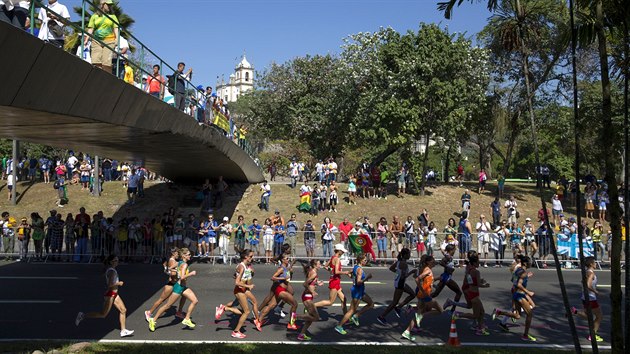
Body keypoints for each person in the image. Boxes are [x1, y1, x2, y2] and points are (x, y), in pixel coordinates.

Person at [75, 255, 134, 337]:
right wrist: (118, 283)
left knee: (123, 310)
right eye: (115, 260)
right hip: (110, 294)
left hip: (114, 294)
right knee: (103, 314)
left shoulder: (111, 270)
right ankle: (83, 316)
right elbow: (110, 284)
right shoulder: (112, 271)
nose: (117, 262)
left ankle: (123, 330)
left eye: (117, 260)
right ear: (111, 262)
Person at [215, 249, 262, 338]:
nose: (252, 258)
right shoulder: (241, 267)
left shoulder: (246, 266)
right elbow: (237, 282)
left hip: (244, 290)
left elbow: (235, 275)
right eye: (251, 256)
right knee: (246, 312)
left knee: (249, 303)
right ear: (246, 257)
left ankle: (224, 308)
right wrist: (248, 286)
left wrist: (250, 274)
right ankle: (236, 331)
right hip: (239, 291)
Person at [149, 248, 198, 331]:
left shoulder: (180, 262)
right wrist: (191, 274)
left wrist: (174, 271)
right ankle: (153, 320)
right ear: (183, 256)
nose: (190, 256)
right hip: (178, 287)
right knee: (167, 306)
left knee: (195, 301)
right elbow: (182, 277)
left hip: (183, 287)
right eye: (189, 255)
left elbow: (169, 268)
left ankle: (186, 319)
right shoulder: (184, 264)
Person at [492, 256, 536, 341]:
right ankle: (525, 335)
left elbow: (513, 280)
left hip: (515, 294)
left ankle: (499, 312)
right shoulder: (523, 273)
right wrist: (528, 292)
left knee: (517, 316)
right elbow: (519, 284)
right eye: (530, 262)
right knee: (529, 314)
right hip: (520, 295)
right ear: (525, 263)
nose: (531, 263)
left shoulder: (518, 270)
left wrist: (526, 276)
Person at [401, 255, 443, 342]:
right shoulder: (427, 270)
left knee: (420, 312)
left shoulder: (428, 270)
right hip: (425, 295)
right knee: (440, 310)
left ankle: (407, 331)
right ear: (428, 262)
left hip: (423, 295)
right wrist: (422, 290)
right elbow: (417, 279)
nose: (434, 262)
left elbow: (428, 281)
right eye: (432, 261)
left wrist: (436, 280)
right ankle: (419, 317)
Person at [451, 251, 491, 336]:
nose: (479, 264)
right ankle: (458, 315)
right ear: (474, 262)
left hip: (471, 293)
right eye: (478, 262)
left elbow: (471, 282)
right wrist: (485, 285)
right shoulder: (476, 272)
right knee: (475, 315)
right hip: (474, 295)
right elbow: (478, 284)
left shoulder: (469, 270)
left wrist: (479, 280)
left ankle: (480, 327)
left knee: (482, 312)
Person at [334, 254, 374, 335]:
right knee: (352, 310)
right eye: (365, 260)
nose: (366, 261)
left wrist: (351, 275)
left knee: (371, 304)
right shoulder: (359, 270)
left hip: (360, 290)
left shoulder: (355, 267)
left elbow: (351, 275)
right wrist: (367, 278)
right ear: (361, 261)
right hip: (357, 291)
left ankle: (355, 316)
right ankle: (339, 326)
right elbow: (358, 282)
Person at [144, 248, 187, 321]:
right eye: (177, 253)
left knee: (184, 295)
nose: (178, 255)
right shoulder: (172, 261)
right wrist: (179, 272)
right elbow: (173, 273)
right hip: (170, 285)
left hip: (176, 284)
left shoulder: (171, 260)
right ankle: (149, 312)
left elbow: (166, 268)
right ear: (173, 253)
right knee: (161, 300)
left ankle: (179, 311)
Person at [377, 248, 417, 324]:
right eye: (409, 254)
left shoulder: (399, 261)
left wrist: (398, 272)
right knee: (395, 302)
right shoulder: (404, 264)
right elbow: (403, 276)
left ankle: (399, 307)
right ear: (405, 255)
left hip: (399, 282)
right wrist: (411, 272)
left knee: (412, 294)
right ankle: (382, 316)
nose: (410, 255)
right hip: (400, 283)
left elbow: (391, 268)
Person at [258, 254, 298, 330]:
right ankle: (291, 324)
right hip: (280, 290)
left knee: (271, 306)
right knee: (295, 304)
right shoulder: (281, 269)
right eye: (287, 258)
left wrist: (292, 267)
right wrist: (283, 277)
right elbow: (272, 277)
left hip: (282, 290)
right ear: (282, 260)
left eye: (288, 258)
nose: (288, 260)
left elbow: (289, 276)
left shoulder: (286, 268)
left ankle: (259, 321)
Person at [569, 256, 603, 342]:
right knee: (599, 317)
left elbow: (583, 282)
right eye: (594, 262)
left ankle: (575, 311)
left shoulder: (586, 272)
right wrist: (595, 291)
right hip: (590, 298)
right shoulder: (591, 273)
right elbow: (588, 285)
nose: (596, 264)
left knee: (589, 316)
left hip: (585, 297)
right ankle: (592, 335)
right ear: (591, 264)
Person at [84, 0, 118, 72]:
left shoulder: (113, 17)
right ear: (102, 5)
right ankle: (97, 79)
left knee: (106, 63)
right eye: (108, 4)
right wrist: (86, 39)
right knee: (96, 62)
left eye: (110, 5)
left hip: (109, 41)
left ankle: (107, 79)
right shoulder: (94, 16)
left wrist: (117, 40)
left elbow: (116, 29)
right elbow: (91, 29)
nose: (110, 6)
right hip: (96, 40)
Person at [315, 243, 349, 315]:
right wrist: (346, 272)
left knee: (344, 300)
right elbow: (336, 271)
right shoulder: (337, 259)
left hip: (335, 281)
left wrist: (331, 271)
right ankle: (311, 306)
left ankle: (347, 317)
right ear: (339, 251)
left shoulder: (333, 257)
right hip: (334, 281)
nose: (343, 253)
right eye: (342, 251)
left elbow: (325, 266)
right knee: (330, 302)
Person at [298, 259, 323, 341]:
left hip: (308, 296)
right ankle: (296, 316)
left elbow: (311, 282)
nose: (320, 265)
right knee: (316, 317)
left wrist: (317, 283)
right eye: (319, 264)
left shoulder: (313, 272)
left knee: (310, 319)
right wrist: (312, 292)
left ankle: (301, 334)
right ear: (315, 265)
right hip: (307, 296)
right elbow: (305, 284)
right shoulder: (314, 273)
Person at [435, 244, 464, 313]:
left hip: (445, 277)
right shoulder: (448, 257)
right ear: (451, 250)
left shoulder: (449, 256)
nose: (455, 251)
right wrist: (448, 267)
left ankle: (421, 303)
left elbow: (449, 264)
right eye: (454, 250)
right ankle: (452, 309)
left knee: (435, 294)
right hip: (447, 278)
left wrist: (456, 266)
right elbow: (441, 262)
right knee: (459, 293)